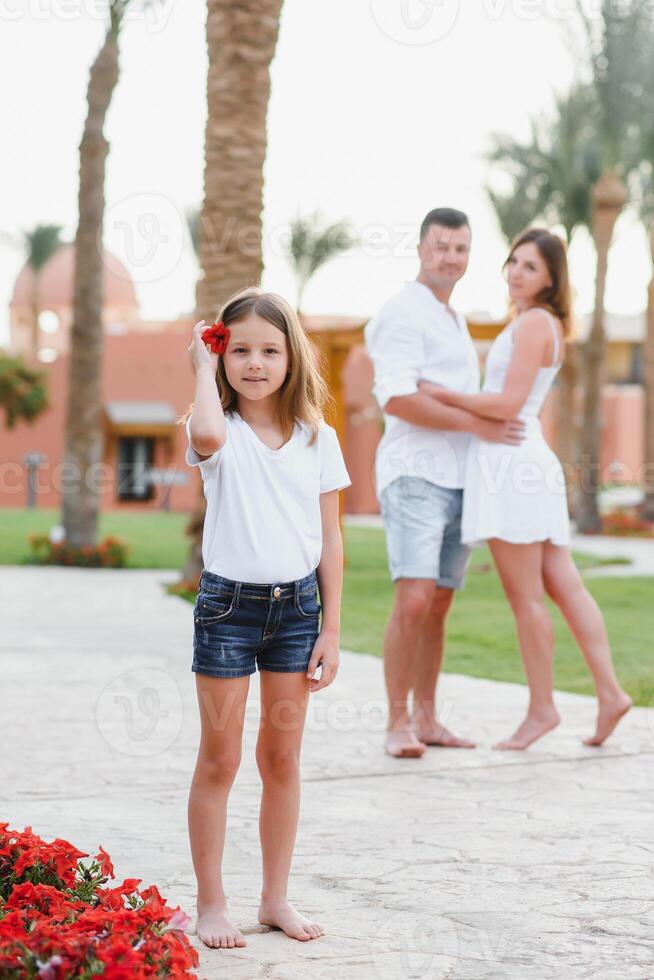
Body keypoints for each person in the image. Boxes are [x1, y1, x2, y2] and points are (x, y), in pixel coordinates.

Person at [183, 287, 351, 949]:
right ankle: (211, 903)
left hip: (297, 612)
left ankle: (275, 897)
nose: (255, 363)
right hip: (228, 610)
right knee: (220, 760)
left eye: (270, 350)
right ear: (223, 353)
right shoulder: (216, 428)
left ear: (292, 357)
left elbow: (332, 538)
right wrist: (201, 366)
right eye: (240, 348)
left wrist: (332, 629)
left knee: (281, 758)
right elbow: (201, 434)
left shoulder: (319, 438)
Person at [419, 227, 632, 750]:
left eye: (531, 266)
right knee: (564, 584)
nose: (516, 271)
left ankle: (542, 709)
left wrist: (438, 393)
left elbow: (507, 404)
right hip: (522, 460)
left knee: (527, 597)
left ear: (552, 279)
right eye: (514, 260)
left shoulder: (535, 322)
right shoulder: (541, 322)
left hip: (511, 463)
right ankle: (609, 695)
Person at [365, 207, 524, 759]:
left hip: (462, 480)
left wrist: (467, 420)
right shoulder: (400, 313)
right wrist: (477, 423)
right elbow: (399, 398)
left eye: (459, 248)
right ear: (420, 248)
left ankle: (429, 718)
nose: (449, 257)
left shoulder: (452, 317)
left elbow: (435, 391)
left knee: (438, 605)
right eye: (440, 246)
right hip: (415, 475)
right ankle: (396, 723)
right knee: (412, 600)